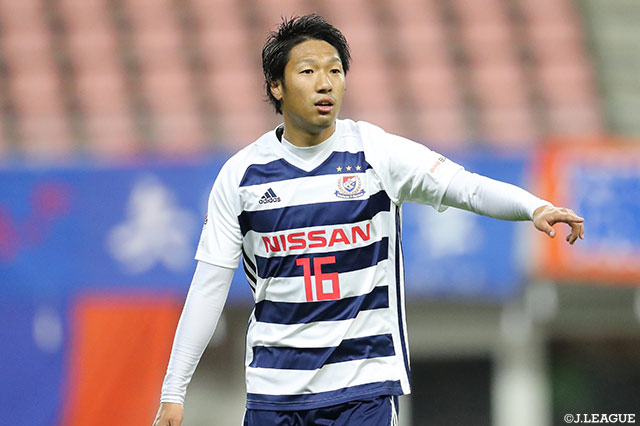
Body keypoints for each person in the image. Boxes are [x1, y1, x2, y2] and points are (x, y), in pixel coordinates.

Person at [153, 13, 584, 426]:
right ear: (276, 86)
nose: (325, 83)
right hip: (274, 392)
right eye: (308, 71)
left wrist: (534, 207)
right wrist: (174, 390)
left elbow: (464, 186)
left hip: (363, 389)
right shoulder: (241, 176)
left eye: (335, 70)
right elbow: (208, 287)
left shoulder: (375, 152)